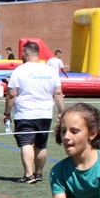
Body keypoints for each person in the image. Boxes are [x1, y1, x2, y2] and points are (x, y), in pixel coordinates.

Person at [4, 41, 65, 183]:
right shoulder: (50, 70)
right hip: (45, 113)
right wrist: (62, 111)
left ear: (27, 53)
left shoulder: (20, 70)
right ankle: (38, 173)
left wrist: (6, 113)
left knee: (26, 143)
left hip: (25, 113)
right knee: (41, 144)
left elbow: (11, 94)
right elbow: (58, 93)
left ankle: (28, 174)